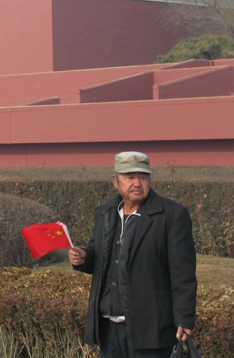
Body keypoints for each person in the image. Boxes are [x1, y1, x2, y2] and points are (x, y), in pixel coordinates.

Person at [69, 151, 197, 358]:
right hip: (108, 328)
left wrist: (184, 318)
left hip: (150, 328)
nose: (137, 183)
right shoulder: (105, 212)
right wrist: (84, 257)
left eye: (143, 177)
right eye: (130, 177)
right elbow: (100, 254)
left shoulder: (172, 215)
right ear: (115, 181)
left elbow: (183, 273)